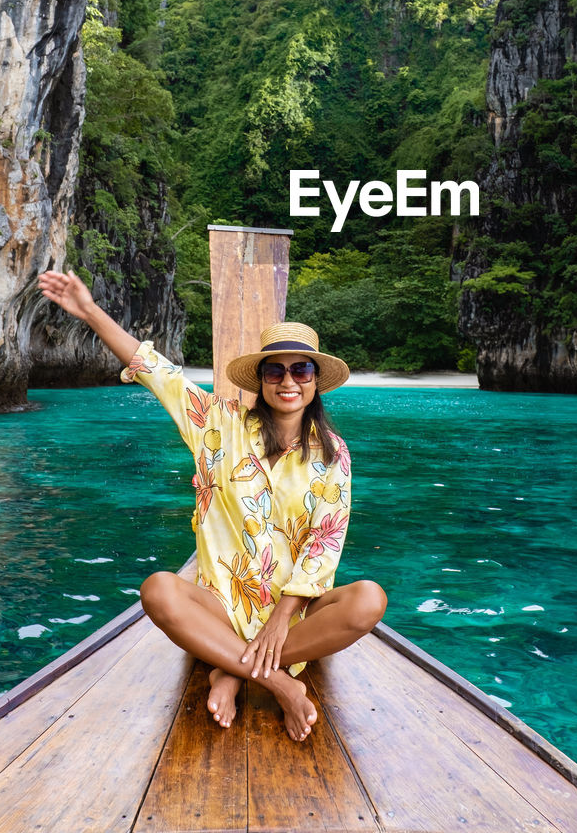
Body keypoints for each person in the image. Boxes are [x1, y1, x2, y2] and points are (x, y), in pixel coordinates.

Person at [36, 269, 387, 742]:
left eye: (300, 370)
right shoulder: (216, 425)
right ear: (261, 380)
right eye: (275, 370)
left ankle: (233, 668)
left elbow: (323, 548)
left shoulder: (333, 454)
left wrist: (281, 619)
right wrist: (90, 311)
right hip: (220, 606)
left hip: (294, 618)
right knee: (158, 589)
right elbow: (156, 371)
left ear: (316, 381)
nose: (288, 381)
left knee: (369, 600)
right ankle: (276, 679)